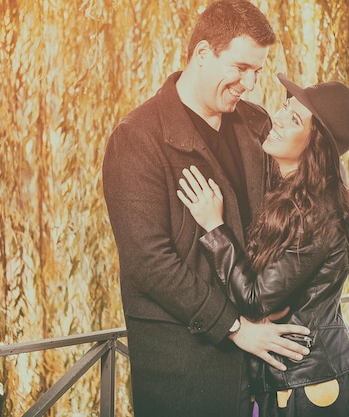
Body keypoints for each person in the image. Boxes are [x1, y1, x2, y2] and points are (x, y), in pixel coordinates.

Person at [102, 2, 311, 417]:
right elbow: (149, 263)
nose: (249, 84)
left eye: (258, 71)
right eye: (240, 68)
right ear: (202, 54)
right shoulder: (138, 138)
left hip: (262, 371)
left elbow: (281, 223)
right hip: (185, 373)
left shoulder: (256, 124)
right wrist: (235, 328)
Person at [177, 73, 349, 417]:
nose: (279, 117)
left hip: (312, 389)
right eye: (286, 106)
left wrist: (214, 227)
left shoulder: (318, 214)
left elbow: (256, 301)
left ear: (315, 145)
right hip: (293, 381)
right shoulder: (292, 196)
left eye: (295, 118)